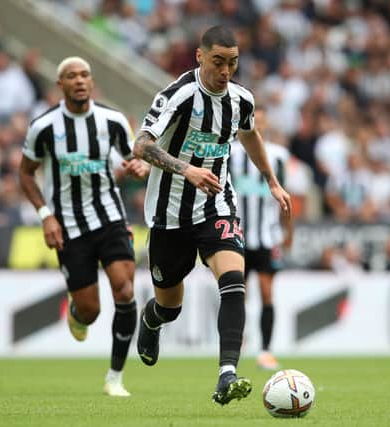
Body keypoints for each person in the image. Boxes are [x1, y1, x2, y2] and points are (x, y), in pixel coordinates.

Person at [132, 26, 291, 405]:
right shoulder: (178, 96)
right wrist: (185, 169)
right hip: (169, 216)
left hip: (217, 206)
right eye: (218, 61)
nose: (225, 71)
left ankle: (227, 373)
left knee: (234, 279)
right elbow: (141, 145)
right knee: (169, 306)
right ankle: (151, 319)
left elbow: (250, 135)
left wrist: (271, 180)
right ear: (200, 56)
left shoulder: (242, 100)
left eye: (232, 63)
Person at [18, 56, 149, 397]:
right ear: (60, 84)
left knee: (125, 290)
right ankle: (78, 312)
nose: (79, 80)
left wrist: (139, 169)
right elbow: (25, 173)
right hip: (68, 225)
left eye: (85, 75)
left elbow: (132, 158)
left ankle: (115, 378)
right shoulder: (44, 127)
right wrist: (45, 214)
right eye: (71, 76)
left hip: (109, 217)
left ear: (92, 81)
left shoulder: (113, 120)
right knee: (91, 311)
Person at [228, 105, 294, 370]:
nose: (258, 125)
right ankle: (237, 344)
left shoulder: (278, 156)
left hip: (267, 236)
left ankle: (266, 350)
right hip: (237, 235)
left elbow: (286, 195)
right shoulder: (230, 153)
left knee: (267, 292)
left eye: (262, 121)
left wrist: (288, 230)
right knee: (236, 294)